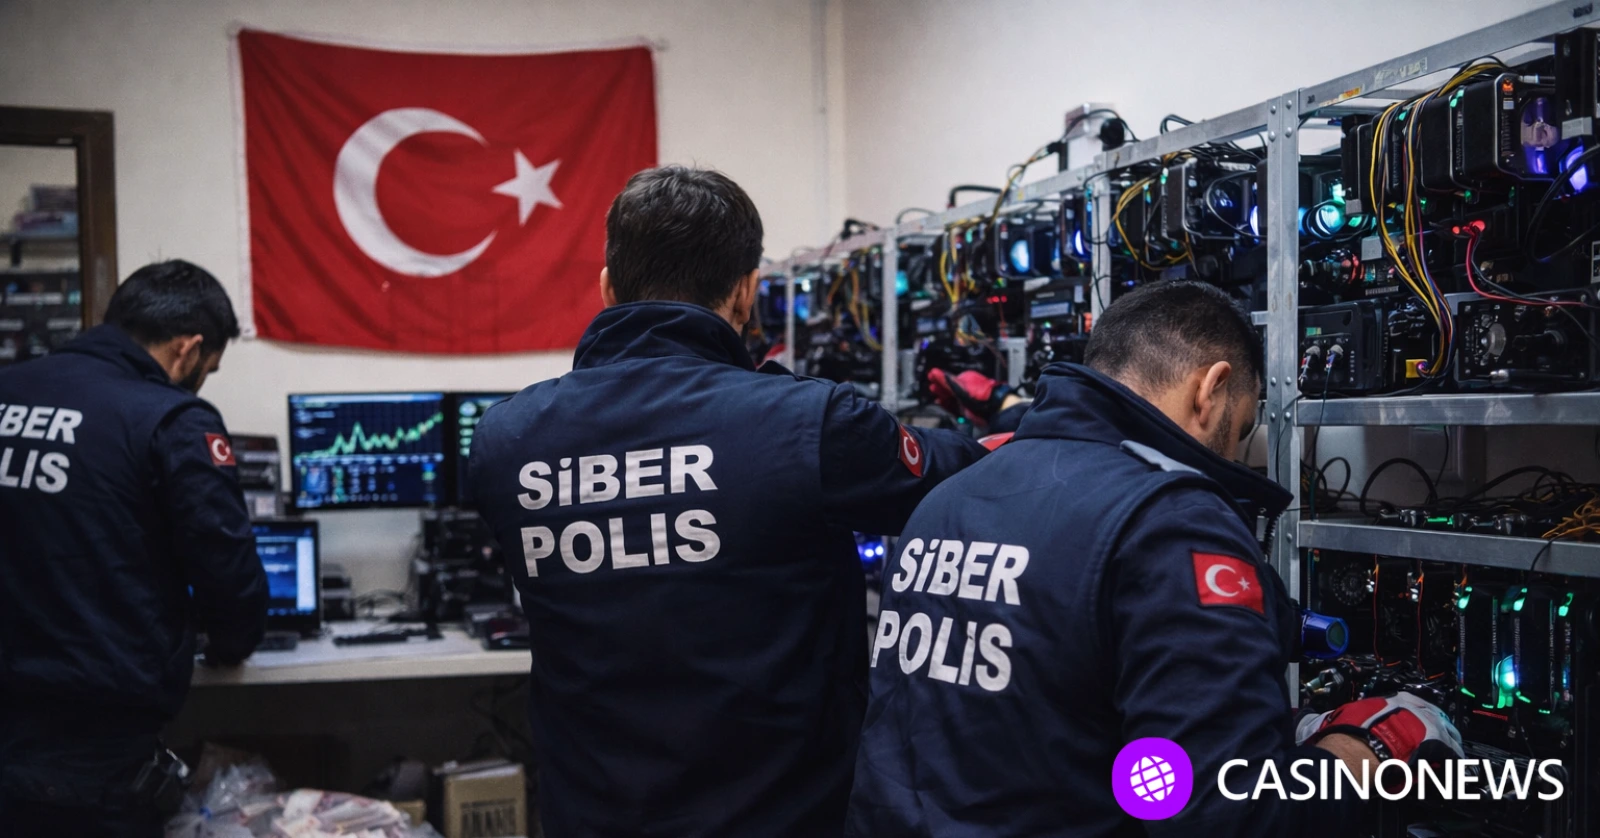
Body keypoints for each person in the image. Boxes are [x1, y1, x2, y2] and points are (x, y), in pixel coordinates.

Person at [468, 166, 993, 837]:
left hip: (591, 818)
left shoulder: (504, 440)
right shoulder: (811, 424)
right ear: (745, 294)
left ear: (606, 289)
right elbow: (967, 481)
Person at [847, 281, 1462, 836]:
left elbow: (1036, 707)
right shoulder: (1170, 520)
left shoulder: (951, 495)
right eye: (1241, 427)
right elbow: (1232, 813)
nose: (1234, 448)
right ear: (1212, 388)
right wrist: (1369, 748)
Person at [0, 260, 268, 837]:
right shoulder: (170, 418)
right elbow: (226, 568)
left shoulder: (8, 390)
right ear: (187, 350)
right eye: (208, 368)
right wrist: (229, 643)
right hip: (92, 737)